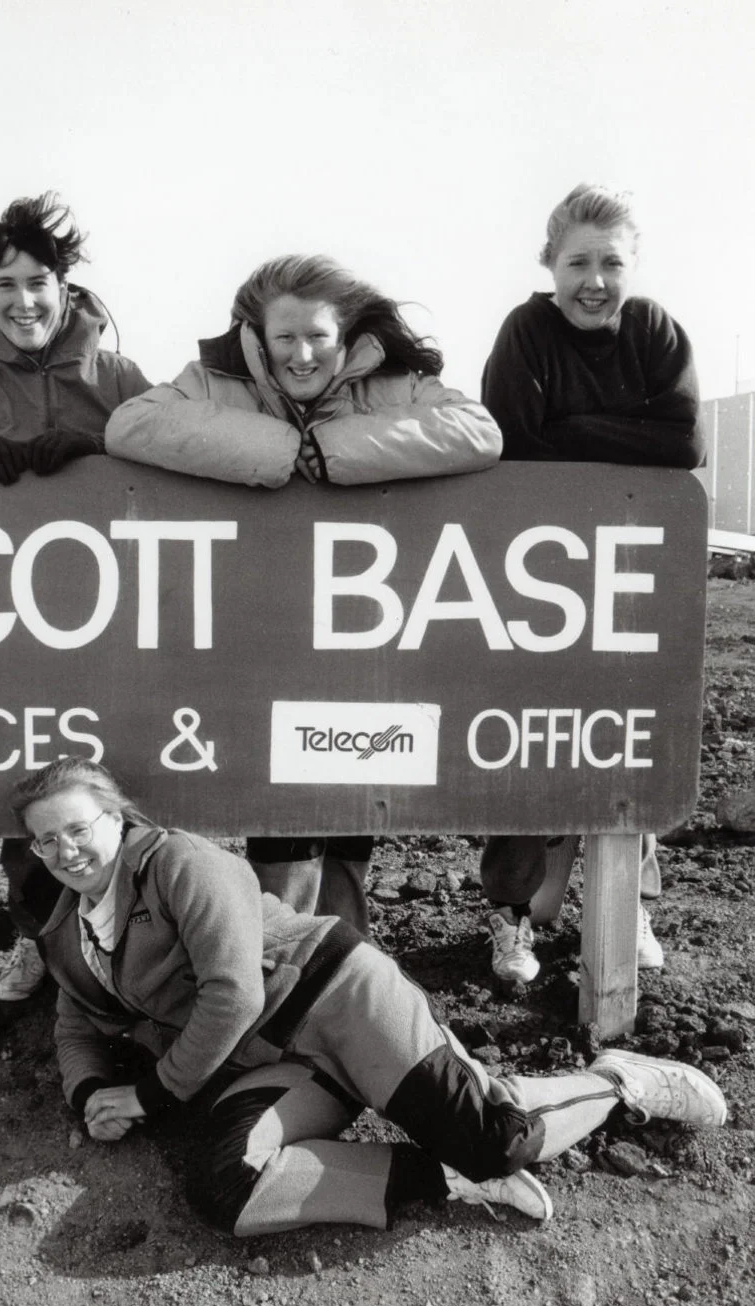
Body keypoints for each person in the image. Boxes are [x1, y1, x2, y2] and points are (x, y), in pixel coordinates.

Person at [9, 756, 727, 1237]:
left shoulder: (179, 863)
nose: (67, 850)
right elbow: (75, 1020)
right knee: (223, 1186)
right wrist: (92, 1094)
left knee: (500, 1140)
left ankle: (619, 1081)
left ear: (117, 818)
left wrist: (150, 1097)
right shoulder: (69, 927)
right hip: (277, 1062)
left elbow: (229, 996)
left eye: (79, 828)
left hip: (338, 1002)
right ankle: (445, 1177)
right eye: (48, 842)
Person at [105, 254, 503, 932]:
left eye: (318, 335)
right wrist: (280, 450)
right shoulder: (213, 381)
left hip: (359, 636)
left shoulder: (395, 385)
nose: (302, 353)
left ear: (344, 335)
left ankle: (343, 966)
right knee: (281, 813)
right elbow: (130, 426)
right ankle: (277, 971)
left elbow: (478, 430)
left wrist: (336, 450)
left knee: (349, 799)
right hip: (253, 638)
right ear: (258, 336)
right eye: (285, 337)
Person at [0, 193, 151, 1000]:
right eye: (5, 284)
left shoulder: (118, 375)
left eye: (38, 281)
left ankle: (134, 950)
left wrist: (100, 445)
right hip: (7, 626)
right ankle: (35, 941)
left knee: (117, 786)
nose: (24, 301)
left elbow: (170, 463)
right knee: (30, 781)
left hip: (111, 620)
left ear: (65, 285)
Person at [478, 184, 705, 985]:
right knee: (528, 740)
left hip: (628, 577)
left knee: (625, 738)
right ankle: (512, 919)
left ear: (633, 264)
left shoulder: (654, 332)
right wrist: (620, 440)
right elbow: (513, 443)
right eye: (579, 262)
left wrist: (571, 431)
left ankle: (626, 907)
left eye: (612, 262)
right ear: (551, 263)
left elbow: (684, 440)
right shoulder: (526, 331)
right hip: (534, 578)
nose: (596, 280)